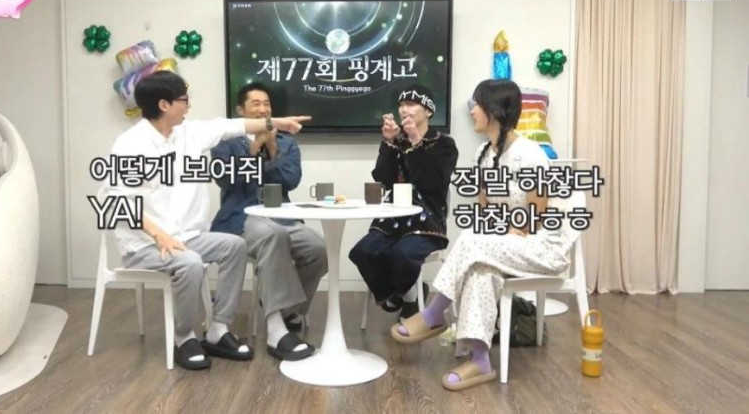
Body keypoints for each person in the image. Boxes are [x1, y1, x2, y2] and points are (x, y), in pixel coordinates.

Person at [101, 70, 310, 371]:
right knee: (190, 262)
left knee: (234, 246)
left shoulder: (189, 132)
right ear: (164, 105)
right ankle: (184, 337)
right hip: (145, 244)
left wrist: (277, 123)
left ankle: (218, 329)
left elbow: (233, 126)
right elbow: (116, 201)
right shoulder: (130, 143)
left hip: (188, 236)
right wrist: (159, 235)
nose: (188, 106)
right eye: (183, 100)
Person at [390, 79, 578, 391]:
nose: (472, 111)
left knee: (472, 240)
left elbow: (535, 219)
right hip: (505, 243)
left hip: (541, 246)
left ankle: (434, 313)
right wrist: (500, 227)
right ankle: (480, 361)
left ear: (495, 110)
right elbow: (484, 213)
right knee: (480, 268)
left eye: (477, 105)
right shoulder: (484, 153)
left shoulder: (530, 155)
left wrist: (505, 227)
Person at [210, 82, 328, 361]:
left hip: (283, 218)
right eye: (256, 104)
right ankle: (277, 331)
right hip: (240, 219)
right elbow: (227, 181)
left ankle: (287, 311)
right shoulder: (224, 143)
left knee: (318, 249)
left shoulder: (287, 142)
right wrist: (255, 148)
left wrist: (273, 147)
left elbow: (291, 180)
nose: (263, 109)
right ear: (241, 110)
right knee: (273, 236)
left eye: (267, 104)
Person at [348, 84, 459, 320]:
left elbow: (431, 183)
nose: (404, 109)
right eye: (401, 105)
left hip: (427, 222)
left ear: (428, 110)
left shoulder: (444, 144)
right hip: (391, 220)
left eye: (411, 104)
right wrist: (388, 142)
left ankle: (406, 298)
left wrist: (417, 142)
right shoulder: (397, 142)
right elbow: (382, 179)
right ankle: (403, 294)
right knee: (363, 251)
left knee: (402, 255)